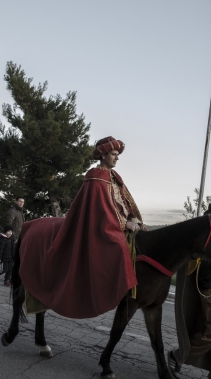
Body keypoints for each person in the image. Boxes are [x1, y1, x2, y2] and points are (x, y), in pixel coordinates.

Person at [18, 136, 145, 318]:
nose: (117, 158)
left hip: (119, 222)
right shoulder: (96, 178)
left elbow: (126, 201)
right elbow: (102, 212)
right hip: (101, 226)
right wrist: (125, 224)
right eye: (114, 154)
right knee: (117, 245)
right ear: (103, 155)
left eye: (118, 155)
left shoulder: (114, 177)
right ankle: (109, 288)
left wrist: (134, 217)